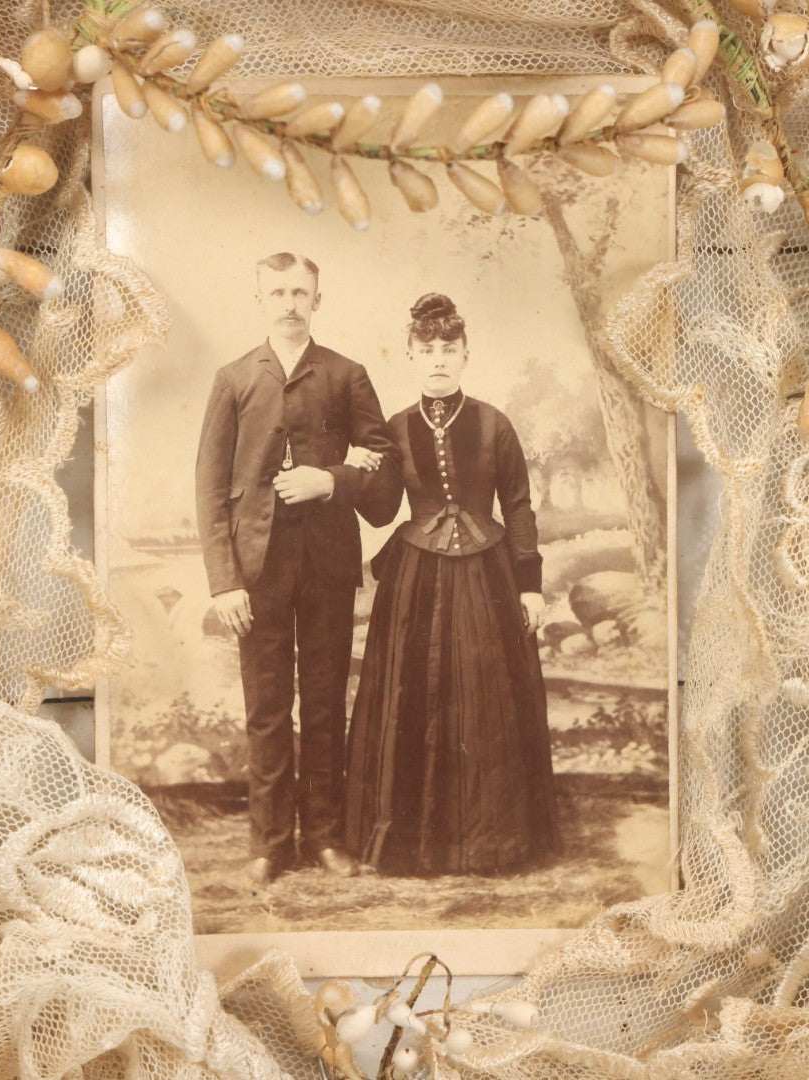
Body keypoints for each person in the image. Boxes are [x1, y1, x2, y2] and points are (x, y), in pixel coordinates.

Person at [194, 252, 398, 885]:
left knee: (324, 699)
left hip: (329, 566)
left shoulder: (346, 374)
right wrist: (225, 582)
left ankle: (327, 837)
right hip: (257, 572)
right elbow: (210, 486)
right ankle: (270, 844)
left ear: (318, 299)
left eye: (300, 292)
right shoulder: (233, 379)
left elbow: (384, 465)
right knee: (267, 708)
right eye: (277, 292)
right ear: (260, 300)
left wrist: (328, 480)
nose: (289, 302)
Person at [344, 293, 561, 875]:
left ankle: (493, 841)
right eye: (427, 349)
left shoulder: (495, 424)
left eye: (449, 349)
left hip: (486, 577)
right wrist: (361, 468)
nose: (438, 359)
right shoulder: (394, 427)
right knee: (412, 696)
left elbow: (517, 505)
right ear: (411, 356)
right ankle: (413, 839)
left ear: (465, 355)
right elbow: (382, 510)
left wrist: (529, 584)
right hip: (414, 578)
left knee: (486, 695)